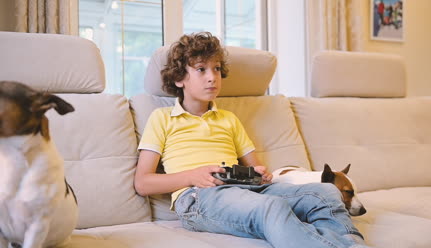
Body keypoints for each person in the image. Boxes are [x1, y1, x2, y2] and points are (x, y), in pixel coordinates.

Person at [134, 32, 369, 248]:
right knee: (272, 207)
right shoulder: (162, 118)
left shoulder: (228, 119)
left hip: (247, 190)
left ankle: (352, 243)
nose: (212, 78)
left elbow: (255, 166)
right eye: (201, 69)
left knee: (325, 193)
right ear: (179, 79)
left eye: (216, 69)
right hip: (198, 198)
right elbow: (143, 183)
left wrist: (260, 173)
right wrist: (193, 175)